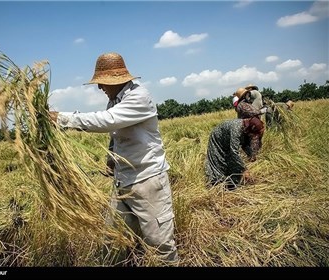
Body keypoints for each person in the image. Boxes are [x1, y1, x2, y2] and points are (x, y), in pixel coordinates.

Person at [49, 52, 178, 265]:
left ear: (115, 80)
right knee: (114, 240)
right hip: (122, 182)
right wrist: (111, 157)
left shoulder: (139, 97)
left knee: (159, 243)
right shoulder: (115, 100)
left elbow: (108, 121)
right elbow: (116, 130)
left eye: (102, 83)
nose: (100, 88)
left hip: (147, 181)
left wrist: (62, 118)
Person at [205, 117, 265, 190]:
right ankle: (215, 184)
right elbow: (234, 152)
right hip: (218, 139)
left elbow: (244, 144)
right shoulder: (236, 129)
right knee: (218, 162)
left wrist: (251, 155)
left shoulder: (246, 128)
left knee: (231, 161)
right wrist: (244, 169)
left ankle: (231, 183)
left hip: (227, 139)